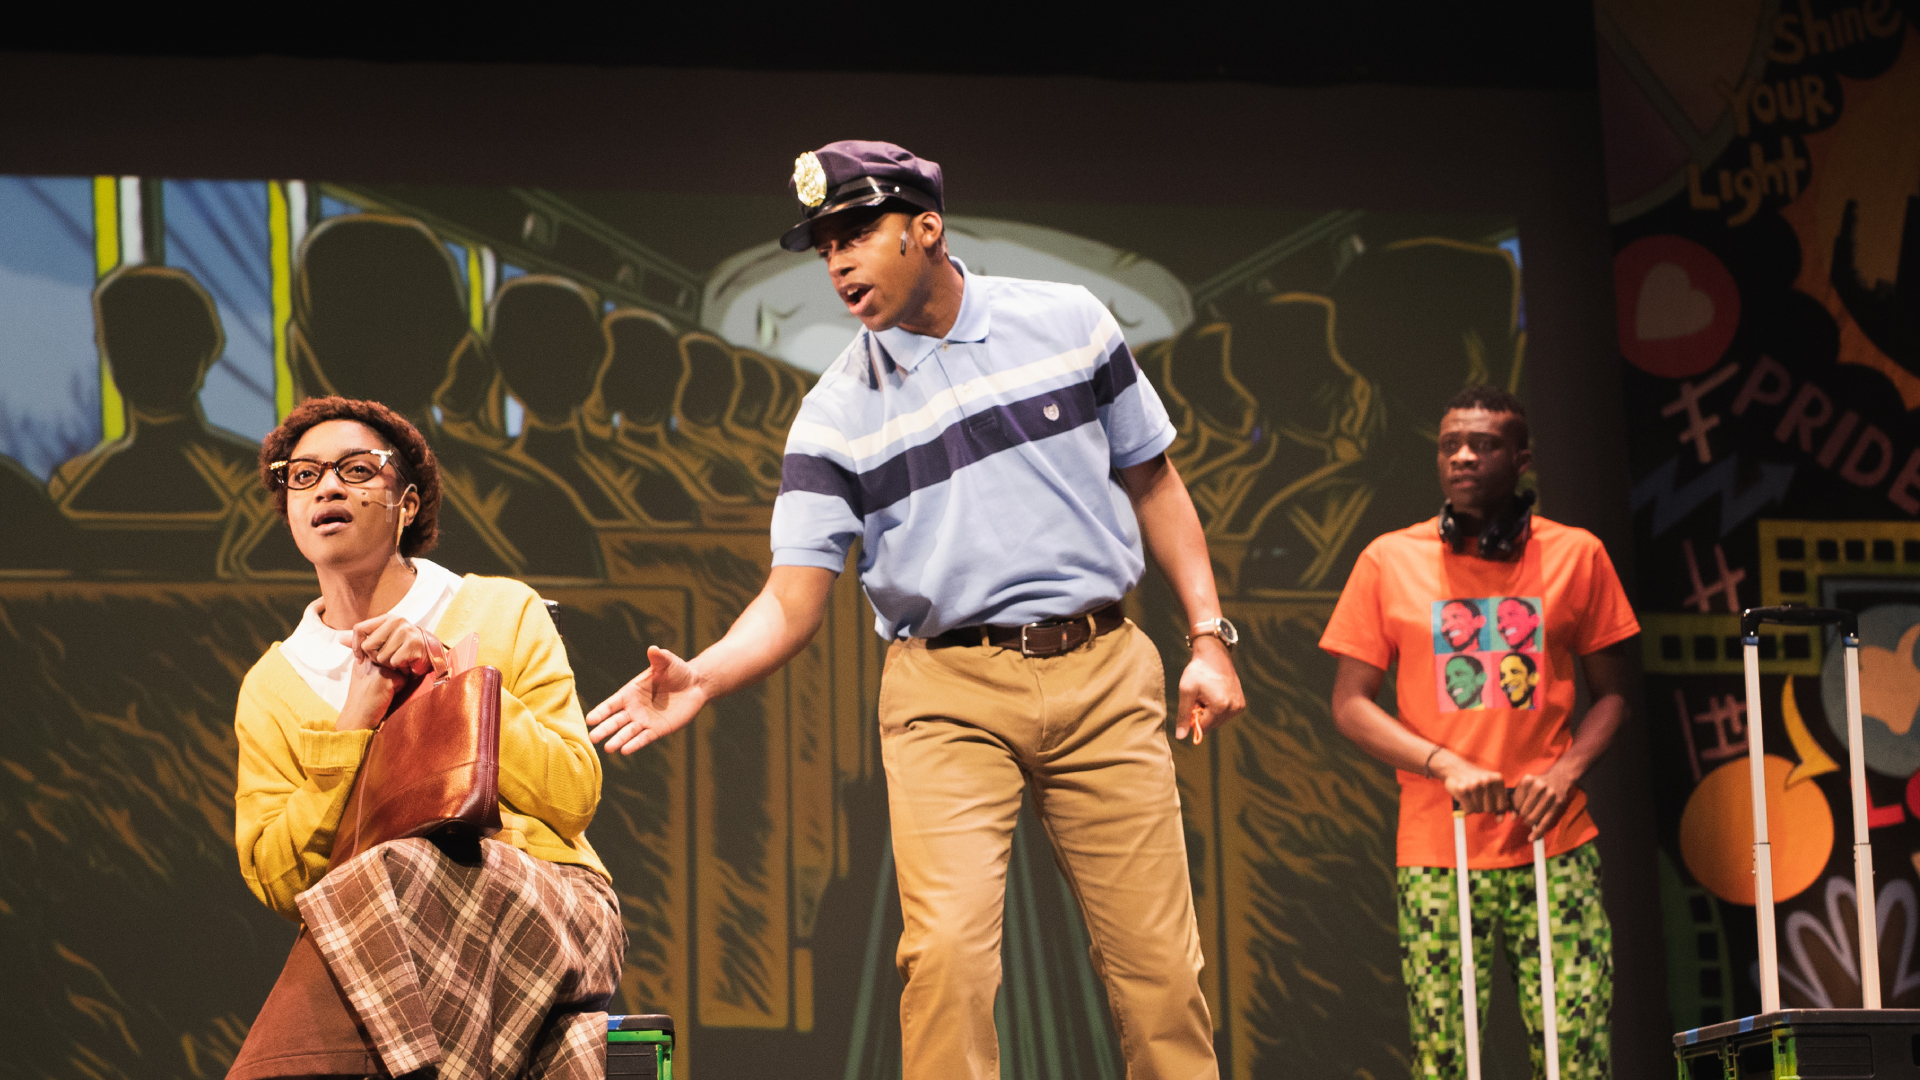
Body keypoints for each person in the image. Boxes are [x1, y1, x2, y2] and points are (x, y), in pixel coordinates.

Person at [585, 141, 1244, 1079]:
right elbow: (791, 598)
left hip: (1104, 670)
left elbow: (1157, 482)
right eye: (823, 247)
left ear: (926, 228)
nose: (838, 262)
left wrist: (1209, 639)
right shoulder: (832, 415)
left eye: (856, 233)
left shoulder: (1069, 322)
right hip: (946, 693)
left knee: (1161, 975)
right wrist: (705, 676)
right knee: (943, 962)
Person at [227, 396, 621, 1080]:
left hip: (548, 908)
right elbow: (282, 880)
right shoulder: (272, 684)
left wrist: (449, 679)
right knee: (381, 892)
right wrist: (353, 721)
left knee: (401, 868)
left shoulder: (502, 608)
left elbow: (573, 795)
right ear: (289, 508)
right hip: (381, 946)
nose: (326, 487)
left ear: (407, 504)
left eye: (357, 469)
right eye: (304, 475)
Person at [1321, 385, 1637, 1079]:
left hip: (1555, 844)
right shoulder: (1387, 560)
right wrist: (1443, 762)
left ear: (1521, 458)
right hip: (1439, 847)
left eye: (1483, 445)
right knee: (1444, 1056)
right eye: (1449, 446)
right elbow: (1349, 705)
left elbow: (1614, 697)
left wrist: (1566, 771)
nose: (1462, 457)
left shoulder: (1577, 555)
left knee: (1576, 1048)